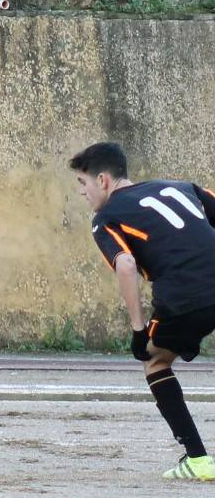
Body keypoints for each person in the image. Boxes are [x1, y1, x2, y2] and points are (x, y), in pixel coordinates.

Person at [72, 142, 215, 480]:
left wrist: (138, 331)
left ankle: (197, 460)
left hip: (184, 298)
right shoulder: (182, 187)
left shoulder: (104, 218)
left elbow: (125, 264)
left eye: (83, 184)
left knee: (155, 360)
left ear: (103, 180)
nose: (83, 193)